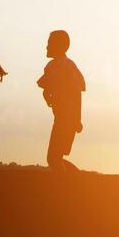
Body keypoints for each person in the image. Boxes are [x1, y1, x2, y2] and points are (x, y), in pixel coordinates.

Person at [37, 30, 86, 172]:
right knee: (55, 157)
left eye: (49, 44)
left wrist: (77, 119)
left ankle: (72, 179)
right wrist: (47, 96)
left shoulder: (68, 66)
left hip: (68, 117)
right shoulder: (51, 67)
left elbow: (77, 94)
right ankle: (72, 178)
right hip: (59, 117)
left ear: (60, 46)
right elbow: (45, 86)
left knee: (53, 157)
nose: (46, 47)